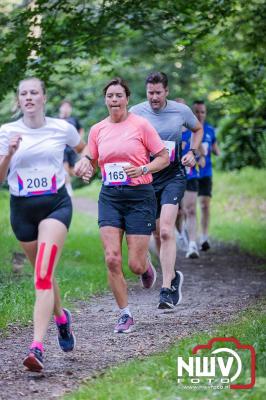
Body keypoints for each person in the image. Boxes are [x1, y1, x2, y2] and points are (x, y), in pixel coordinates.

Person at [0, 77, 87, 372]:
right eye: (23, 93)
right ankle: (62, 319)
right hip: (21, 210)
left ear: (43, 97)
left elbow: (85, 150)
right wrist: (10, 153)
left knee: (42, 276)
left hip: (55, 206)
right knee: (44, 275)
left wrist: (85, 164)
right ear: (19, 99)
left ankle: (36, 347)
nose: (28, 97)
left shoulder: (61, 128)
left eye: (33, 92)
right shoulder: (7, 131)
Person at [75, 77, 169, 333]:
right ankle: (125, 314)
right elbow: (92, 159)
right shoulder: (97, 129)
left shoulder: (141, 125)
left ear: (127, 99)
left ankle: (146, 265)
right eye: (109, 96)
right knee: (112, 258)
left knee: (135, 265)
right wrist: (85, 167)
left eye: (119, 96)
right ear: (105, 100)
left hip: (140, 196)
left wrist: (143, 169)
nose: (114, 100)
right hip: (111, 197)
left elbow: (164, 157)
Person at [130, 72, 203, 309]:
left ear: (166, 92)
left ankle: (167, 287)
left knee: (166, 230)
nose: (153, 97)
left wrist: (193, 152)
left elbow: (197, 129)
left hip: (173, 175)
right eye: (150, 92)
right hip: (147, 176)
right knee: (154, 233)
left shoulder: (180, 111)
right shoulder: (136, 112)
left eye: (158, 92)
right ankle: (170, 273)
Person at [193, 100, 221, 251]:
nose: (200, 114)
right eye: (197, 111)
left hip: (206, 172)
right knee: (187, 208)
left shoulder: (210, 130)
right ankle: (186, 232)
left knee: (204, 204)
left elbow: (216, 150)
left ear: (205, 113)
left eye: (202, 112)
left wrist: (216, 151)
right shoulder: (188, 129)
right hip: (190, 173)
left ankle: (204, 236)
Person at [59, 100, 84, 196]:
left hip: (72, 148)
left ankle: (65, 182)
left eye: (68, 107)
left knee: (72, 170)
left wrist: (79, 140)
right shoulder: (57, 120)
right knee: (64, 166)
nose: (66, 109)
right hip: (61, 148)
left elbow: (81, 130)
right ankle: (68, 187)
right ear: (60, 108)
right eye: (64, 106)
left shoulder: (74, 120)